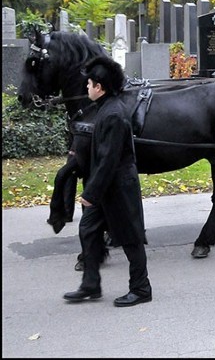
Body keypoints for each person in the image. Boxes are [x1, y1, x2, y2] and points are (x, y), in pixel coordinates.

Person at [63, 55, 152, 307]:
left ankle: (141, 288)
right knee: (88, 229)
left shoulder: (113, 114)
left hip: (118, 188)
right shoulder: (104, 108)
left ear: (99, 87)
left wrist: (90, 194)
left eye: (89, 84)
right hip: (104, 188)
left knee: (130, 238)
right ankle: (90, 284)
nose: (86, 88)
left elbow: (108, 160)